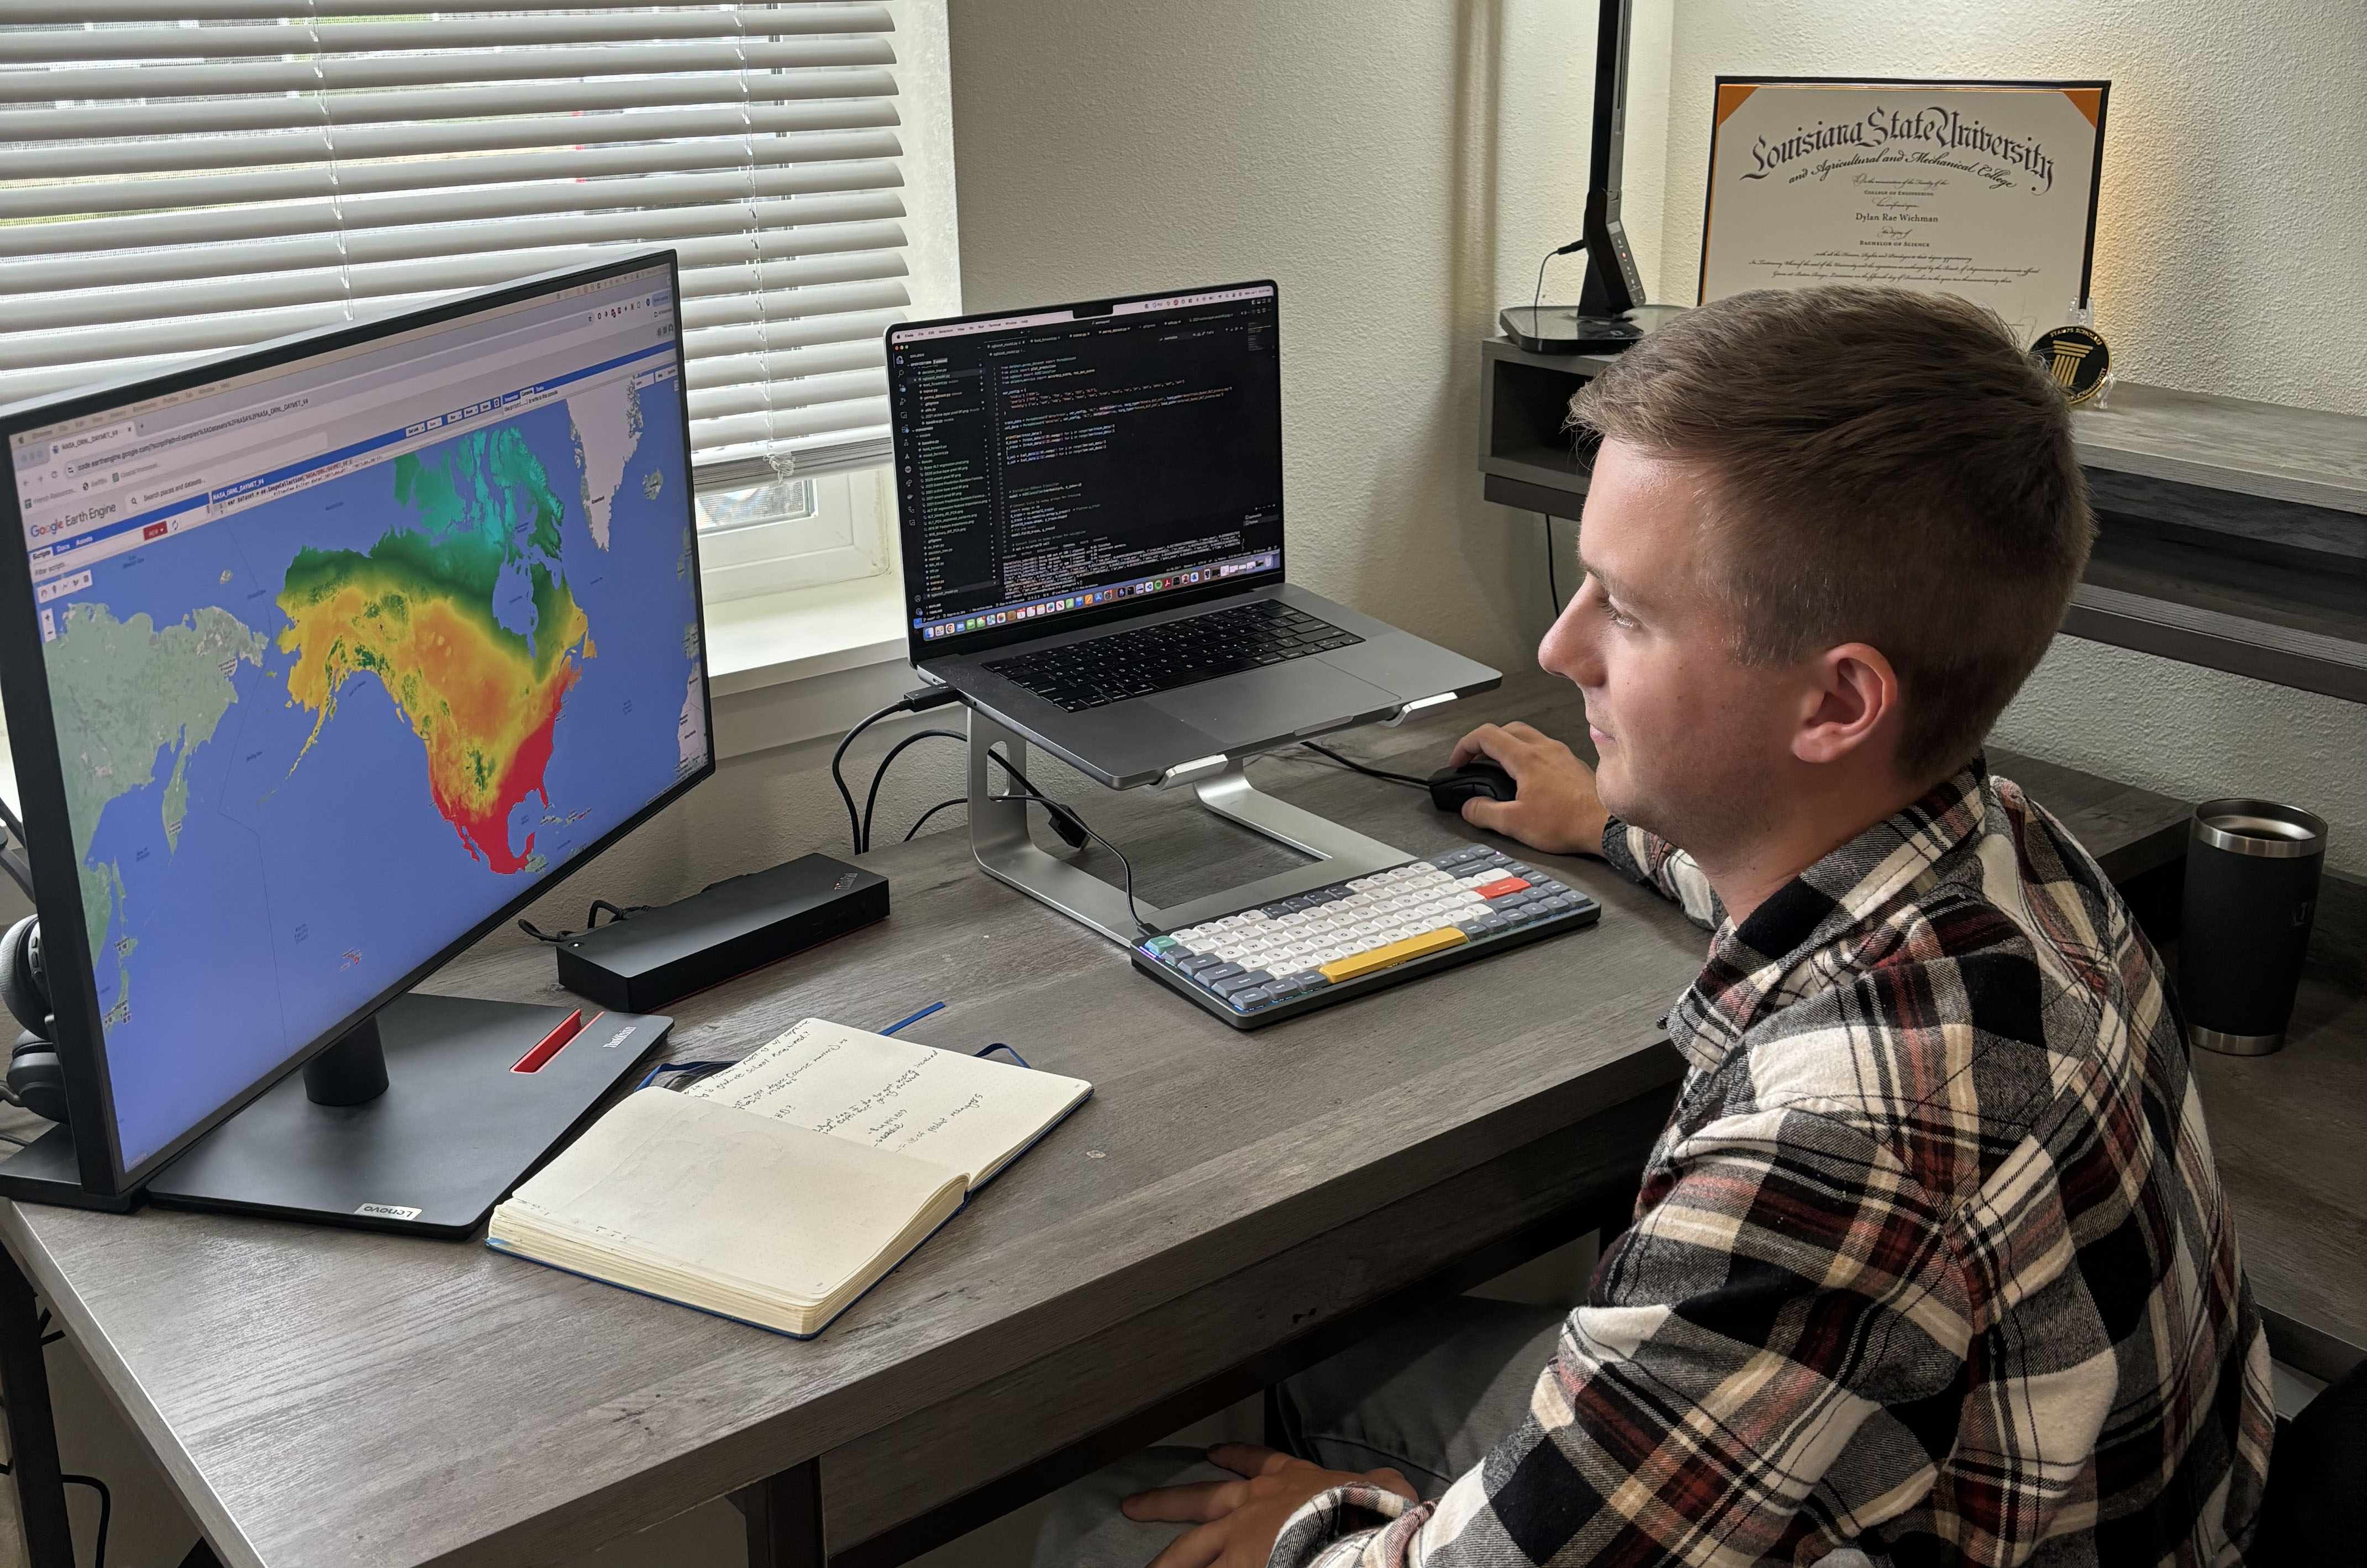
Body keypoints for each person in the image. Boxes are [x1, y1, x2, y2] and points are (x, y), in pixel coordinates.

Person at [1033, 285, 2274, 1568]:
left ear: (1838, 700)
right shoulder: (2014, 842)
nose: (1560, 646)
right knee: (1343, 1372)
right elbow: (1796, 878)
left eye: (1625, 611)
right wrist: (1608, 824)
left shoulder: (1839, 1143)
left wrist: (1322, 1533)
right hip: (2140, 1506)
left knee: (1107, 1526)